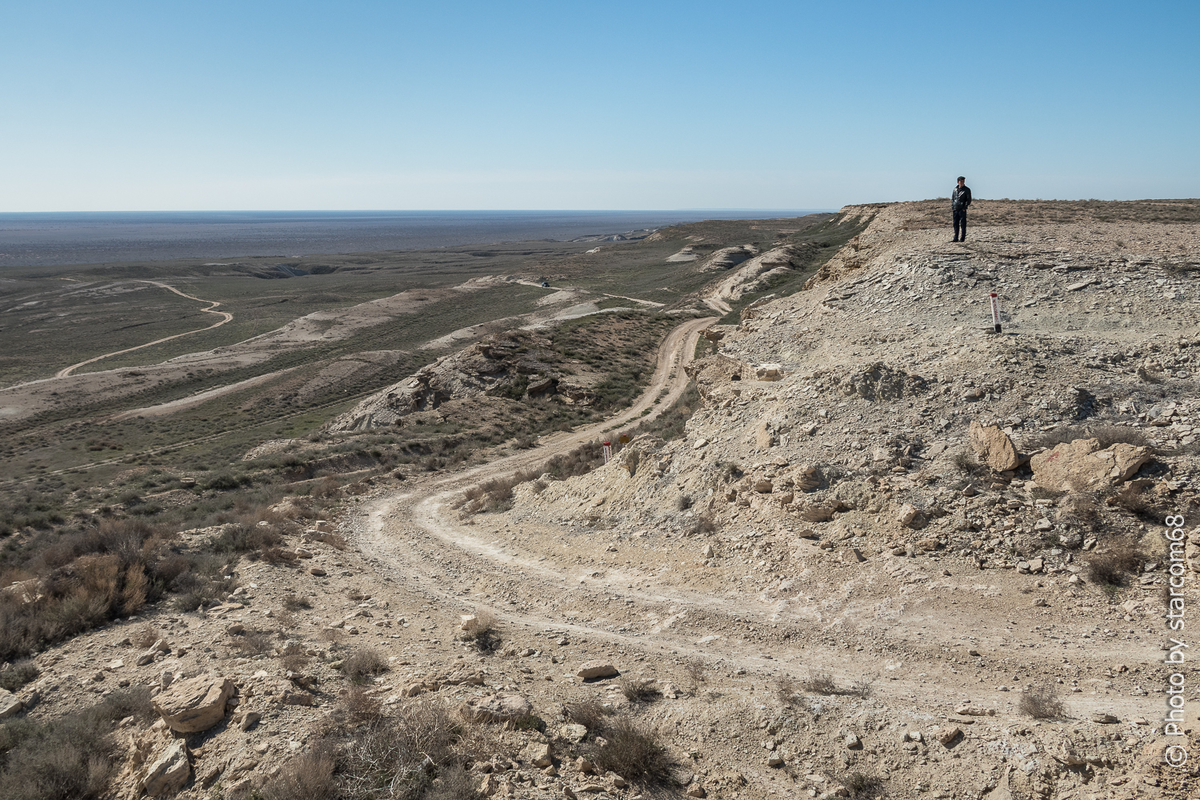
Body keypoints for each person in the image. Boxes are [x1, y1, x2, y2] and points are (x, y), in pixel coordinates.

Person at [951, 176, 972, 242]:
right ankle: (955, 238)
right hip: (955, 209)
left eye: (963, 181)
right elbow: (953, 198)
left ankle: (962, 238)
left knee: (963, 224)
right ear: (958, 182)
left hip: (962, 209)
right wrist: (953, 206)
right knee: (955, 223)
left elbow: (968, 199)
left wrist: (964, 207)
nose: (962, 183)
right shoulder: (955, 189)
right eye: (961, 181)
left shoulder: (967, 190)